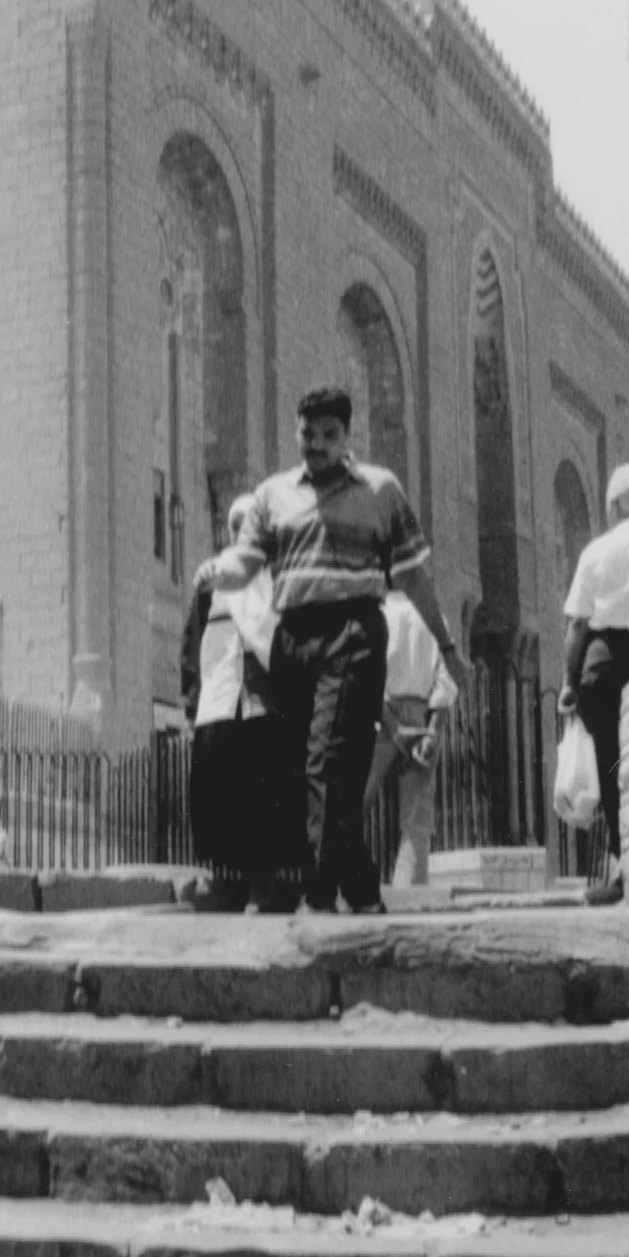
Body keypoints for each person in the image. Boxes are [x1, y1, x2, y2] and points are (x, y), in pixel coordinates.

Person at [196, 386, 467, 915]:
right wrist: (214, 570)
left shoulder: (381, 491)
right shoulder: (273, 495)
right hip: (295, 637)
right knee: (314, 770)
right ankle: (362, 890)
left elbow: (414, 578)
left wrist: (448, 646)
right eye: (308, 434)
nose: (316, 444)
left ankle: (319, 898)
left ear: (348, 436)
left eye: (328, 435)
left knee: (326, 761)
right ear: (296, 431)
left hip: (354, 633)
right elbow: (244, 564)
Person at [182, 494, 296, 912]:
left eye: (246, 525)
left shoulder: (273, 580)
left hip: (260, 703)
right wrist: (192, 702)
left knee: (262, 795)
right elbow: (193, 644)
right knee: (220, 795)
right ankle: (226, 881)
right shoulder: (210, 583)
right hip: (220, 700)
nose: (238, 534)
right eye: (233, 527)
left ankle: (265, 884)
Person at [560, 462, 629, 904]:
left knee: (612, 767)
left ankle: (624, 866)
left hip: (602, 671)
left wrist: (569, 683)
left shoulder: (598, 551)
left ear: (618, 504)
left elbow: (577, 626)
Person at [364, 590, 460, 890]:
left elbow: (368, 672)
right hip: (422, 713)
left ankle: (344, 883)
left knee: (357, 802)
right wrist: (433, 730)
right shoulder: (435, 619)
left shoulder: (379, 615)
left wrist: (390, 724)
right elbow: (447, 678)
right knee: (416, 817)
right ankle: (411, 891)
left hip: (381, 712)